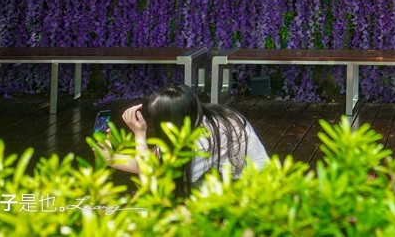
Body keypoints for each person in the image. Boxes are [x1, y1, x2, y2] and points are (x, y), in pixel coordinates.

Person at [102, 83, 269, 196]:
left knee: (175, 192)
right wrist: (111, 158)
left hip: (253, 192)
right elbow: (155, 163)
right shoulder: (203, 118)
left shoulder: (202, 139)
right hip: (239, 181)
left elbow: (150, 181)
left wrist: (140, 135)